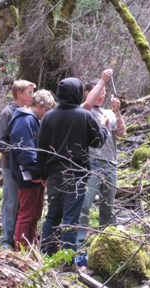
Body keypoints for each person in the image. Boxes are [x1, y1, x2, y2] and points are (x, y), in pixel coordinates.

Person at [37, 77, 109, 257]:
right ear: (77, 93)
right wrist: (104, 127)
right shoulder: (84, 115)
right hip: (76, 175)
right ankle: (68, 260)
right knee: (71, 218)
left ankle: (47, 254)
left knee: (52, 215)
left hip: (54, 174)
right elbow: (97, 141)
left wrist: (42, 174)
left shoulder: (48, 116)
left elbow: (41, 148)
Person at [77, 73, 126, 246]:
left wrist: (117, 112)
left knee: (108, 207)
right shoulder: (84, 111)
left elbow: (121, 133)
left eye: (104, 92)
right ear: (88, 93)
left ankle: (107, 243)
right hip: (91, 163)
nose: (101, 95)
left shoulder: (109, 113)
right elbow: (86, 106)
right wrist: (102, 80)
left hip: (111, 164)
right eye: (97, 92)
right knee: (85, 204)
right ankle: (80, 242)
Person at [9, 90, 56, 251]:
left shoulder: (34, 120)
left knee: (35, 215)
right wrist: (37, 173)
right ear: (39, 105)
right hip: (27, 176)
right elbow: (26, 152)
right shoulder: (25, 121)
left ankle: (31, 247)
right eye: (47, 110)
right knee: (26, 214)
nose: (48, 114)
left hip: (36, 176)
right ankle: (21, 249)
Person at [0, 79, 36, 249]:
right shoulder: (8, 112)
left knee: (24, 203)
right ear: (19, 94)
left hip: (26, 167)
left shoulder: (29, 112)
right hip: (10, 166)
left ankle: (22, 238)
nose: (32, 96)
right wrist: (18, 152)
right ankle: (6, 239)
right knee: (11, 201)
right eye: (29, 93)